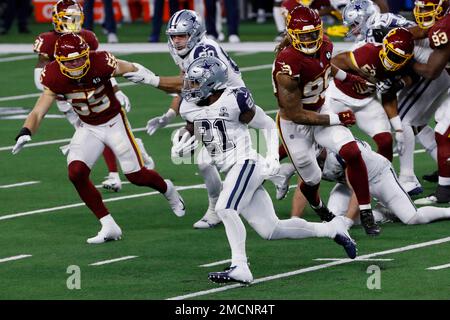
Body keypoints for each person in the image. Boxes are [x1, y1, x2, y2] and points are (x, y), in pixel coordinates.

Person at [174, 56, 357, 284]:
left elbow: (268, 125)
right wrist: (181, 144)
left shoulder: (235, 100)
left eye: (195, 83)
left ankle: (240, 266)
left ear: (212, 82)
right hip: (230, 169)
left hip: (246, 163)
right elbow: (193, 128)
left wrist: (271, 156)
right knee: (271, 229)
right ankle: (332, 229)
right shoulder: (190, 106)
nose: (190, 87)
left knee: (225, 208)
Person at [12, 33, 185, 244]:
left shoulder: (101, 61)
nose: (76, 63)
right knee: (76, 172)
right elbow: (39, 111)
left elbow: (131, 67)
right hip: (88, 127)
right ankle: (108, 224)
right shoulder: (53, 75)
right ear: (60, 61)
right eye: (70, 60)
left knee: (136, 176)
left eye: (79, 58)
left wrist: (152, 80)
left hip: (114, 122)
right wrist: (26, 131)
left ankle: (168, 189)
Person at [273, 5, 380, 235]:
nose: (312, 40)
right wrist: (337, 117)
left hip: (321, 106)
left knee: (352, 151)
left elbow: (324, 66)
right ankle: (319, 207)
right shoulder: (287, 64)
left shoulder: (325, 45)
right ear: (292, 36)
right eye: (305, 36)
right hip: (295, 123)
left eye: (314, 34)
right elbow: (295, 114)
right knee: (312, 180)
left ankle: (366, 210)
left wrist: (349, 78)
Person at [134, 9, 245, 229]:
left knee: (218, 162)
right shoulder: (182, 49)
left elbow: (192, 86)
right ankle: (220, 206)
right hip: (206, 100)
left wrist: (152, 80)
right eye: (173, 36)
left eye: (181, 36)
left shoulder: (204, 50)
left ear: (194, 34)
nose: (176, 41)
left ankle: (222, 206)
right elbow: (188, 85)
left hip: (229, 102)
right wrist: (169, 115)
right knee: (205, 162)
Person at [32, 0, 154, 193]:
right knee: (97, 134)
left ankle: (114, 174)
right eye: (68, 18)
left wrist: (116, 90)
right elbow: (39, 75)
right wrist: (53, 86)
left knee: (99, 130)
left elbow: (100, 69)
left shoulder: (86, 37)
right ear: (57, 19)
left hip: (91, 94)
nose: (73, 23)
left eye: (75, 18)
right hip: (67, 99)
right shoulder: (47, 41)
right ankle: (134, 147)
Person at [342, 0, 449, 196]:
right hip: (427, 67)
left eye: (354, 24)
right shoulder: (381, 24)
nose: (352, 30)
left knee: (405, 120)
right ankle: (443, 167)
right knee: (417, 123)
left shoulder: (378, 28)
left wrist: (396, 79)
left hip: (431, 68)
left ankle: (407, 178)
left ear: (364, 18)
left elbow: (408, 49)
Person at [290, 139, 450, 226]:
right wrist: (294, 220)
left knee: (413, 218)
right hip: (348, 182)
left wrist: (348, 221)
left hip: (378, 176)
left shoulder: (341, 152)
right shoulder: (307, 158)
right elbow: (302, 188)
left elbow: (358, 189)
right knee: (332, 220)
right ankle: (383, 214)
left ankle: (447, 212)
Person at [329, 28, 415, 163]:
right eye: (392, 55)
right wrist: (352, 77)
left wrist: (398, 129)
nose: (394, 60)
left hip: (366, 102)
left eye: (399, 58)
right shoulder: (368, 52)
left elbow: (389, 97)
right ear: (384, 46)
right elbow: (332, 64)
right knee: (315, 138)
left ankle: (383, 179)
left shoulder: (402, 67)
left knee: (386, 141)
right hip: (338, 97)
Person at [411, 0, 450, 204]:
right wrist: (399, 36)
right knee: (442, 118)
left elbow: (431, 71)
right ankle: (447, 172)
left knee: (443, 132)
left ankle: (445, 190)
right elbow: (421, 31)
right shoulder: (443, 22)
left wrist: (407, 61)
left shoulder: (444, 28)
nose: (423, 13)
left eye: (428, 9)